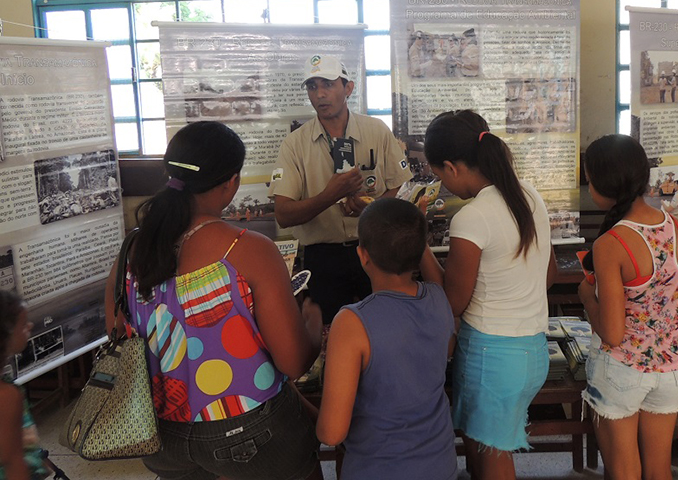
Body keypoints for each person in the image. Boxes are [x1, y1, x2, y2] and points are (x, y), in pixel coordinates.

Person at [105, 121, 323, 480]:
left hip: (159, 436)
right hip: (248, 431)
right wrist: (312, 325)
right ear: (231, 183)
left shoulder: (131, 251)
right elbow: (294, 362)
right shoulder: (247, 249)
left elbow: (119, 339)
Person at [420, 110, 557, 480]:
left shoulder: (473, 217)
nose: (444, 185)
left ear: (452, 167)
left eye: (440, 177)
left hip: (492, 355)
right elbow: (549, 275)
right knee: (484, 448)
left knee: (494, 457)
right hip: (531, 349)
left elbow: (452, 302)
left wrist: (419, 243)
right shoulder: (529, 195)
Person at [578, 134, 678, 480]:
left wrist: (587, 298)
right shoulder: (677, 228)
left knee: (623, 471)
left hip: (623, 369)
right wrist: (656, 301)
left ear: (603, 184)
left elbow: (613, 333)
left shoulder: (612, 243)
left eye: (589, 180)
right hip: (668, 369)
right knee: (658, 470)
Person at [317, 198, 457, 480]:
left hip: (378, 469)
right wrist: (417, 236)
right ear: (420, 250)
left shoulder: (352, 321)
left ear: (363, 255)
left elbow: (331, 434)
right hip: (441, 466)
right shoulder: (438, 298)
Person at [271, 54, 411, 326]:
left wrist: (373, 210)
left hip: (376, 249)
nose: (320, 94)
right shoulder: (295, 144)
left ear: (348, 88)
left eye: (328, 84)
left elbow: (402, 188)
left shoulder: (376, 130)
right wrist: (330, 195)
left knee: (384, 326)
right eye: (312, 86)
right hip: (324, 259)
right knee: (332, 332)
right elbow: (283, 214)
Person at [0, 291, 48, 480]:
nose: (30, 325)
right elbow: (13, 463)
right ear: (5, 336)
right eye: (23, 324)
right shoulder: (7, 395)